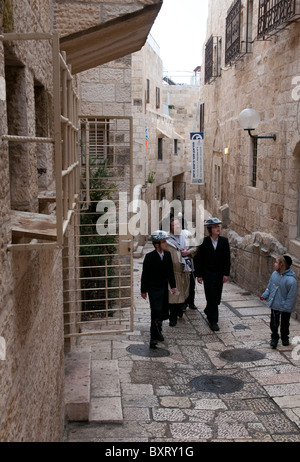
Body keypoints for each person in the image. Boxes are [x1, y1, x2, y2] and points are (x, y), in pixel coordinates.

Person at [194, 217, 231, 331]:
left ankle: (208, 309)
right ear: (210, 230)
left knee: (216, 297)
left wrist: (226, 274)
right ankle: (213, 320)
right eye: (214, 227)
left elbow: (227, 259)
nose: (217, 229)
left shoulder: (224, 241)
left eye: (217, 226)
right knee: (210, 296)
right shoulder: (204, 242)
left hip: (219, 274)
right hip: (208, 273)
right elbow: (198, 259)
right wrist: (199, 275)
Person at [141, 231, 176, 348]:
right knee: (155, 311)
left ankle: (159, 331)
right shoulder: (149, 257)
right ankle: (153, 337)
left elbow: (170, 272)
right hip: (153, 289)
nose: (166, 243)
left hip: (163, 288)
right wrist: (143, 290)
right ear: (157, 244)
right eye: (163, 241)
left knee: (162, 312)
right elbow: (145, 275)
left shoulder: (167, 255)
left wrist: (173, 286)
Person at [260, 255, 298, 349]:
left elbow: (291, 296)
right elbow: (270, 287)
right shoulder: (274, 274)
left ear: (282, 265)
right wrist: (265, 295)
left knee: (285, 323)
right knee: (274, 323)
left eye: (276, 262)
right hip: (275, 303)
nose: (274, 264)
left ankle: (285, 337)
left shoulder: (291, 280)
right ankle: (274, 338)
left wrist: (287, 307)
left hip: (285, 307)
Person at [166, 217, 197, 326]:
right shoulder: (167, 239)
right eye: (174, 225)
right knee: (174, 294)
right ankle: (172, 317)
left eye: (178, 224)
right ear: (171, 228)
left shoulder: (187, 234)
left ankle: (180, 311)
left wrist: (188, 252)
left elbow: (195, 247)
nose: (177, 227)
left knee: (184, 292)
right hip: (174, 272)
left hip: (186, 270)